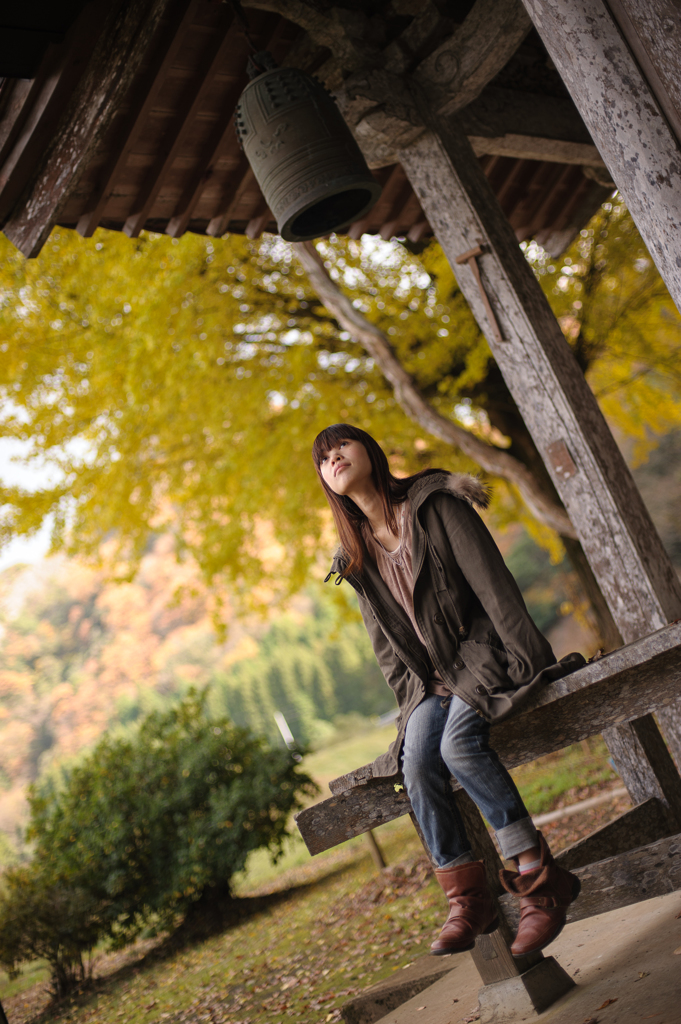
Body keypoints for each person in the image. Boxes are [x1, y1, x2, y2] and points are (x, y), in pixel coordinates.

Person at [313, 424, 586, 957]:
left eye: (341, 445)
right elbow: (389, 653)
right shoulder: (354, 558)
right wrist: (411, 709)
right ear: (325, 481)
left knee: (458, 746)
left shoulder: (436, 505)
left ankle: (539, 883)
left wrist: (528, 660)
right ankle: (467, 899)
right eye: (323, 458)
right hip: (429, 684)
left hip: (482, 656)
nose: (334, 457)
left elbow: (494, 585)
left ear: (369, 447)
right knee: (416, 760)